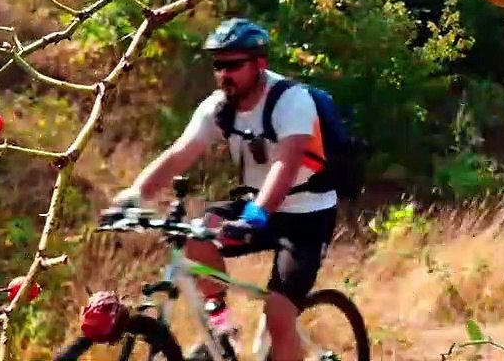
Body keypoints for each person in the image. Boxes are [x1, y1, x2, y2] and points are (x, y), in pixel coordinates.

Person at [110, 18, 337, 361]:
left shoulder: (292, 101)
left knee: (278, 317)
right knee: (193, 235)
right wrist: (134, 197)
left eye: (233, 64)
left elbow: (285, 166)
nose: (224, 73)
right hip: (255, 206)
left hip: (307, 213)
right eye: (218, 64)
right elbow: (177, 156)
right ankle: (221, 330)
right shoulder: (219, 107)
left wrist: (255, 215)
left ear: (260, 63)